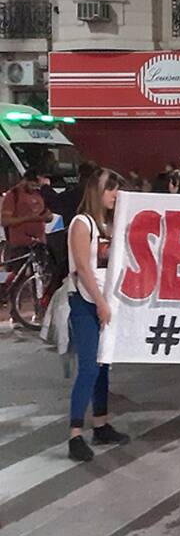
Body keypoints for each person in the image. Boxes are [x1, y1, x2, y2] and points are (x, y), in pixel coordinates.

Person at [66, 168, 130, 462]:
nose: (115, 195)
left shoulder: (108, 224)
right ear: (97, 191)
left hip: (104, 300)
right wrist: (101, 303)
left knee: (103, 365)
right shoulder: (82, 223)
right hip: (84, 302)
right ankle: (75, 434)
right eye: (110, 189)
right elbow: (83, 268)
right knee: (89, 367)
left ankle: (101, 424)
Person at [3, 168, 52, 262]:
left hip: (39, 245)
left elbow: (48, 215)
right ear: (25, 180)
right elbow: (5, 221)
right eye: (32, 185)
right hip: (19, 246)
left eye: (37, 186)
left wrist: (47, 217)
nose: (34, 188)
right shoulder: (13, 195)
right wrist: (30, 218)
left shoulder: (40, 194)